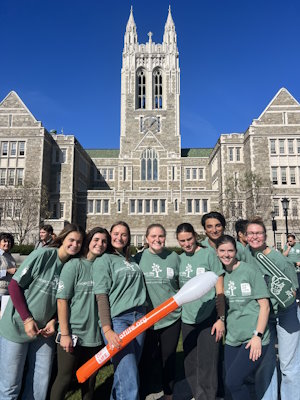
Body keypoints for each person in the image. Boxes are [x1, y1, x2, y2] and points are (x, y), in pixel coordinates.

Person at [0, 223, 85, 400]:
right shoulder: (44, 254)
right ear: (62, 239)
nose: (74, 245)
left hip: (44, 332)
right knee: (10, 385)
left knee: (40, 384)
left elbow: (65, 301)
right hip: (17, 325)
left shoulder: (72, 266)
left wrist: (54, 320)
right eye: (71, 240)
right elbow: (15, 285)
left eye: (79, 242)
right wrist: (26, 318)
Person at [50, 227, 111, 400]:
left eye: (104, 241)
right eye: (96, 239)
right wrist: (65, 333)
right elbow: (62, 300)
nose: (100, 244)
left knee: (90, 382)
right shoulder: (74, 265)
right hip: (73, 333)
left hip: (95, 336)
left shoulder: (104, 267)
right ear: (88, 241)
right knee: (64, 378)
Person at [246, 218, 300, 400]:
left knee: (288, 365)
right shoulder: (244, 256)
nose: (255, 237)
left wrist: (283, 292)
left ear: (265, 235)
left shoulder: (278, 259)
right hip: (262, 315)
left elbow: (293, 289)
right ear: (245, 236)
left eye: (258, 233)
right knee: (264, 364)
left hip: (285, 313)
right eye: (251, 233)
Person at [93, 221, 146, 400]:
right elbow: (101, 296)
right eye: (116, 233)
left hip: (139, 317)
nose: (119, 237)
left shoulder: (130, 259)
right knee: (128, 372)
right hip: (118, 320)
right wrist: (107, 329)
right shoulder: (104, 260)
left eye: (124, 234)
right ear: (110, 235)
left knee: (124, 372)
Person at [215, 234, 270, 400]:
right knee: (231, 384)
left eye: (230, 250)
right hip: (233, 338)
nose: (226, 254)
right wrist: (221, 320)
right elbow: (221, 301)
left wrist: (257, 336)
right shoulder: (220, 275)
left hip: (253, 338)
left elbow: (265, 306)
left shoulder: (249, 271)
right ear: (217, 252)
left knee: (233, 381)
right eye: (222, 251)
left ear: (236, 251)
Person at [176, 223, 225, 400]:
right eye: (182, 241)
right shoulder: (179, 259)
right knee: (190, 361)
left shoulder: (208, 254)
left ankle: (208, 396)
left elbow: (220, 286)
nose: (187, 243)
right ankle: (197, 394)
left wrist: (221, 317)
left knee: (208, 361)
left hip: (209, 315)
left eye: (189, 239)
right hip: (188, 317)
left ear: (195, 236)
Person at [138, 224, 181, 400]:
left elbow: (182, 284)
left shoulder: (174, 258)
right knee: (146, 358)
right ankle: (143, 392)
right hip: (146, 319)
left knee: (168, 358)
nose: (157, 239)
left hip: (171, 318)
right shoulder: (137, 258)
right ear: (147, 239)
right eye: (153, 236)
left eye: (161, 236)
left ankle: (169, 393)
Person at [0, 232, 17, 306]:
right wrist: (7, 271)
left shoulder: (10, 256)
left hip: (10, 291)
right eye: (5, 241)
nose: (7, 243)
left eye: (9, 242)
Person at [283, 234, 300, 302]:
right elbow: (283, 256)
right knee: (292, 286)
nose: (289, 242)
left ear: (294, 240)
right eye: (288, 241)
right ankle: (294, 299)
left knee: (298, 284)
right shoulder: (286, 246)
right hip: (290, 270)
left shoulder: (298, 246)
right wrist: (288, 248)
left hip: (298, 269)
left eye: (291, 241)